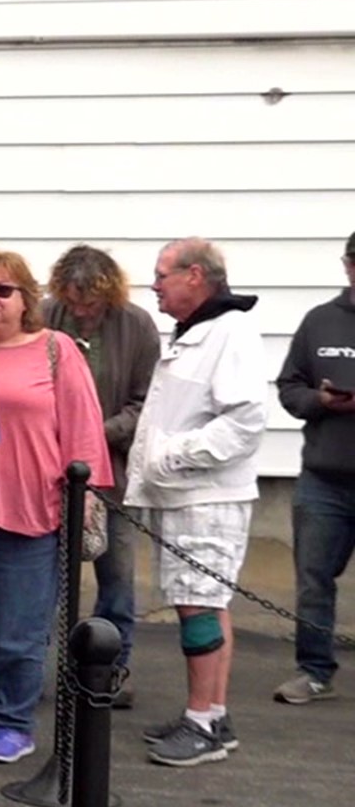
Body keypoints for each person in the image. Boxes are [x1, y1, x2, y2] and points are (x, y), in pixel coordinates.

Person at [0, 251, 112, 764]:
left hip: (28, 517)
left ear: (27, 300)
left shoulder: (56, 351)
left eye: (2, 290)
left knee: (14, 636)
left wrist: (85, 500)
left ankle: (10, 722)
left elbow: (84, 434)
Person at [128, 238, 267, 766]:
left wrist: (172, 456)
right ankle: (212, 713)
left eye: (162, 274)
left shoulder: (229, 333)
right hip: (189, 496)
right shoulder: (203, 332)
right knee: (206, 601)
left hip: (205, 499)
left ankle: (201, 722)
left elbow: (246, 420)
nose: (155, 285)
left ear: (195, 276)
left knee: (199, 606)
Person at [44, 245, 161, 707]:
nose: (80, 311)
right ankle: (41, 670)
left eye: (89, 304)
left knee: (116, 579)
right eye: (73, 302)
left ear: (107, 296)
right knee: (48, 579)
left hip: (111, 472)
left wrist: (92, 435)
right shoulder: (46, 316)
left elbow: (146, 402)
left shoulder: (136, 325)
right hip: (50, 471)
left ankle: (111, 670)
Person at [270, 231, 355, 703]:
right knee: (314, 581)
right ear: (347, 265)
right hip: (323, 478)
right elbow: (289, 387)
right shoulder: (319, 321)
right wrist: (319, 400)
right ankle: (314, 671)